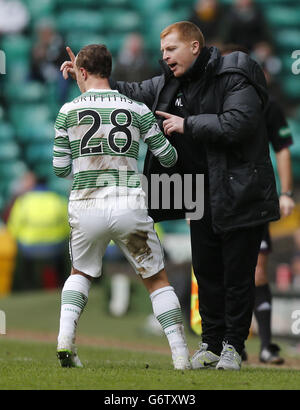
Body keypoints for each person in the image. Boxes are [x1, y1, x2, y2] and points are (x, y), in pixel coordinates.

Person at [60, 22, 280, 370]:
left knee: (237, 273)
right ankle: (209, 343)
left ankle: (233, 347)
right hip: (194, 189)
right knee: (205, 272)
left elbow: (241, 122)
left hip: (238, 188)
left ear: (194, 47)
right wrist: (89, 79)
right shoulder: (168, 80)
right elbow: (129, 90)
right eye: (162, 51)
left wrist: (186, 124)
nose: (164, 57)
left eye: (171, 50)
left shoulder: (236, 71)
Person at [54, 44, 191, 370]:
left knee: (80, 273)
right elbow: (169, 158)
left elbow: (60, 168)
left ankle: (64, 340)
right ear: (109, 69)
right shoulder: (136, 108)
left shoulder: (67, 111)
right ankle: (181, 356)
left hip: (87, 205)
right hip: (129, 204)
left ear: (81, 72)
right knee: (157, 281)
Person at [221, 43, 295, 364]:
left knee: (258, 268)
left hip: (252, 194)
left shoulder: (268, 105)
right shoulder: (208, 100)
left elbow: (282, 148)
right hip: (218, 194)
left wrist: (287, 192)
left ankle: (265, 345)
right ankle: (223, 342)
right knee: (219, 269)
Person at [6, 176, 70, 290]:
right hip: (55, 246)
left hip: (28, 247)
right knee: (64, 255)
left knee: (22, 259)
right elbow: (68, 226)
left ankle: (27, 287)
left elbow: (13, 228)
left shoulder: (23, 201)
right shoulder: (57, 200)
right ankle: (61, 283)